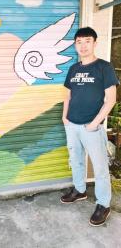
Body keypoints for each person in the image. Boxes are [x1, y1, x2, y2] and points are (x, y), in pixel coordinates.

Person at [61, 27, 120, 226]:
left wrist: (95, 124)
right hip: (72, 125)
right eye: (79, 42)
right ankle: (79, 190)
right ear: (75, 45)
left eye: (87, 41)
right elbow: (67, 95)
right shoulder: (73, 69)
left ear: (95, 43)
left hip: (91, 127)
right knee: (75, 159)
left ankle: (104, 204)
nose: (83, 45)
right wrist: (65, 117)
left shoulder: (104, 67)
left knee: (100, 167)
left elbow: (111, 99)